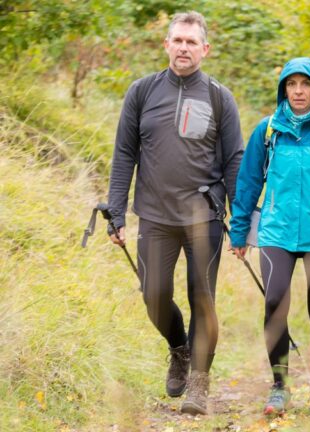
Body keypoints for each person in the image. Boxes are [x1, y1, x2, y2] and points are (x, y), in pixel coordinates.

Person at [106, 11, 243, 416]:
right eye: (177, 40)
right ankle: (179, 349)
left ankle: (199, 383)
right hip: (155, 215)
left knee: (203, 298)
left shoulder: (220, 97)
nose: (184, 48)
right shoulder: (142, 92)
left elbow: (234, 160)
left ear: (205, 49)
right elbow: (124, 154)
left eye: (191, 42)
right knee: (153, 295)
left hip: (205, 217)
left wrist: (242, 223)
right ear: (167, 45)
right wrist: (117, 211)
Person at [229, 57, 310, 415]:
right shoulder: (268, 131)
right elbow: (249, 182)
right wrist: (239, 230)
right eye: (291, 84)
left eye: (305, 84)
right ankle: (279, 387)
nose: (298, 91)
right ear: (283, 89)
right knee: (274, 304)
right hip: (276, 232)